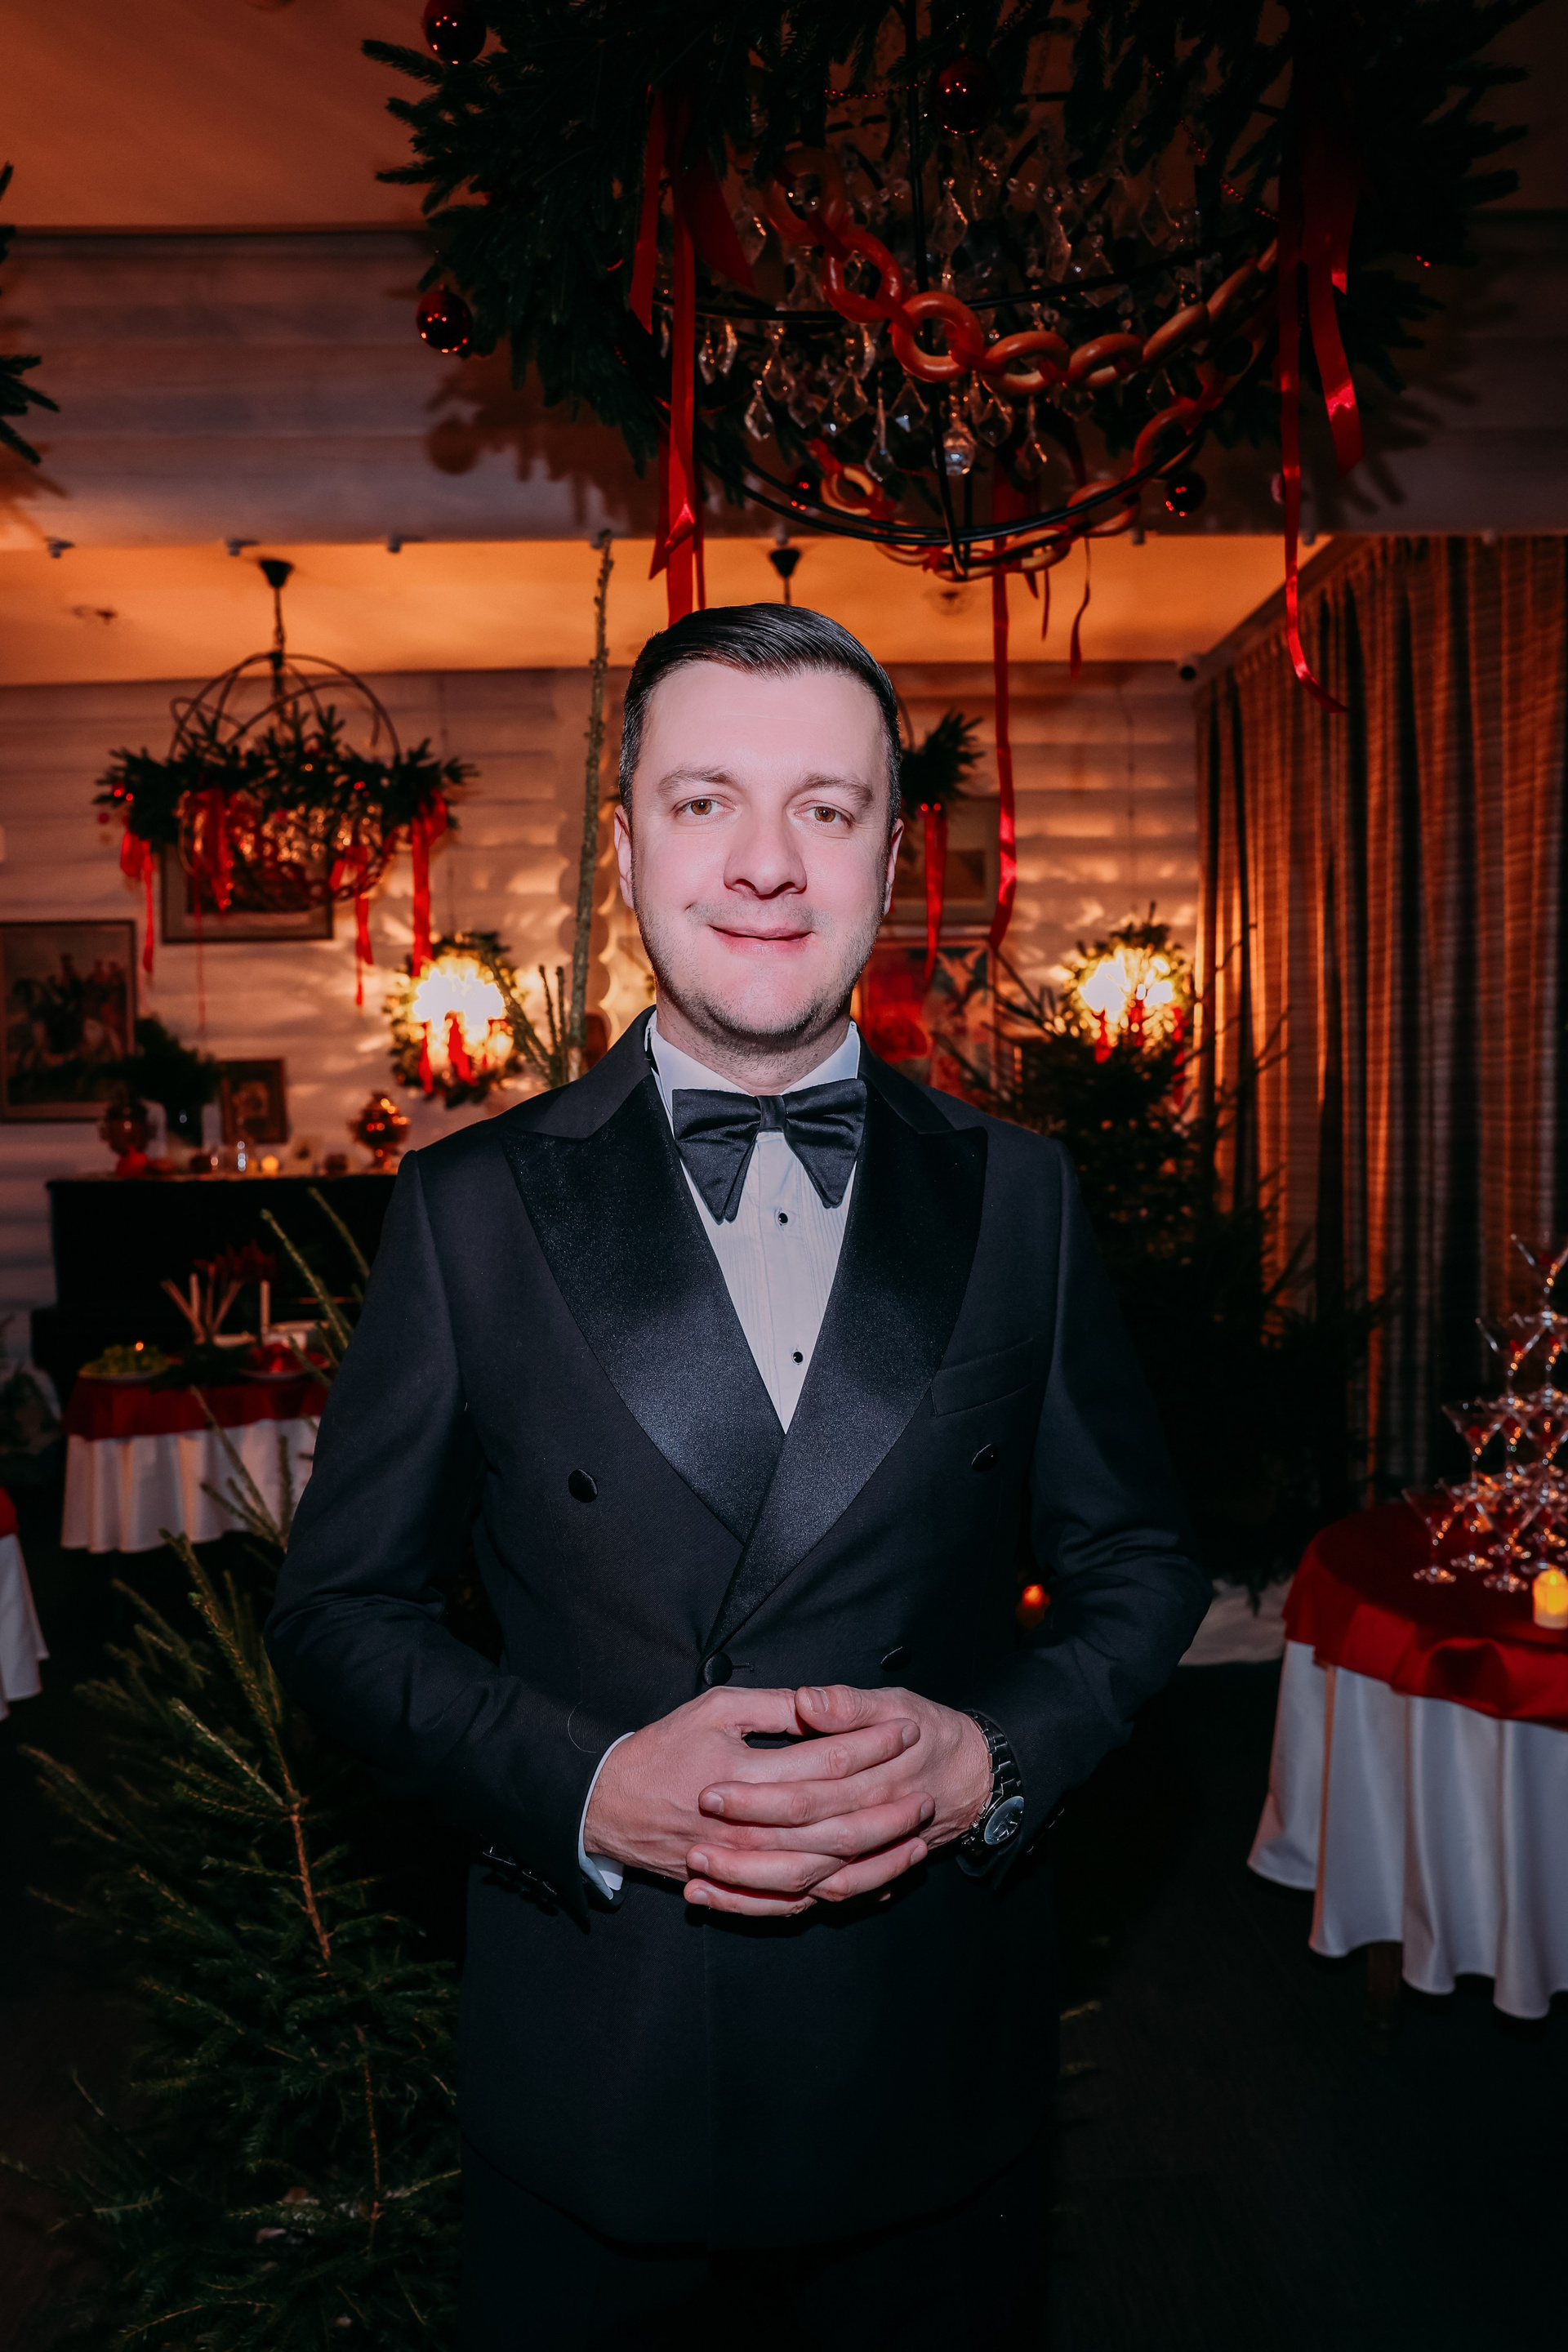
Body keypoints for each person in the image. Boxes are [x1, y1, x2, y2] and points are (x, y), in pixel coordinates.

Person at [265, 605, 1209, 2349]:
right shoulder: (471, 1208)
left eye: (825, 810)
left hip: (932, 2070)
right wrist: (586, 1784)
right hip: (601, 2073)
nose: (768, 863)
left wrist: (990, 1756)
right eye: (705, 801)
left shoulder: (1022, 1194)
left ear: (890, 859)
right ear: (625, 847)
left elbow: (1140, 1565)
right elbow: (337, 1613)